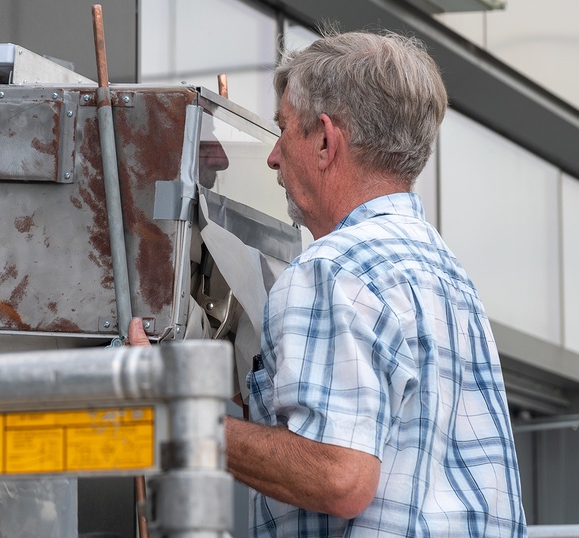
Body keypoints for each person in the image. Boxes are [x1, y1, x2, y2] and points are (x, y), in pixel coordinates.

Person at [130, 30, 526, 536]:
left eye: (284, 130)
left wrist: (168, 409)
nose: (273, 157)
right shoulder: (448, 276)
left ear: (323, 140)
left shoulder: (330, 269)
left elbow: (340, 477)